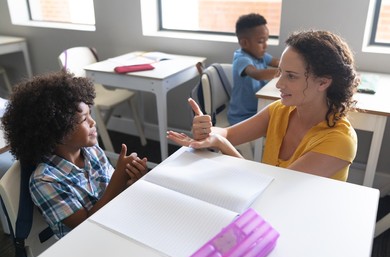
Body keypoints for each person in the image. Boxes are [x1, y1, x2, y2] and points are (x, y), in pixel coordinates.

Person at [168, 30, 359, 182]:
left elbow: (271, 189)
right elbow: (229, 134)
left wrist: (221, 144)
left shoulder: (339, 140)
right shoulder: (280, 110)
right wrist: (208, 132)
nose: (278, 84)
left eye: (291, 76)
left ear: (323, 83)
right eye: (280, 72)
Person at [1, 71, 148, 238]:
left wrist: (129, 180)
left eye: (89, 114)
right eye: (84, 119)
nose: (93, 122)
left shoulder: (92, 151)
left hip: (117, 224)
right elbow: (87, 229)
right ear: (58, 130)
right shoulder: (45, 181)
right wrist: (117, 181)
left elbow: (112, 194)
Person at [228, 13, 280, 125]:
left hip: (258, 110)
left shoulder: (260, 55)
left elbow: (277, 62)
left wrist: (290, 65)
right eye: (261, 41)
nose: (265, 46)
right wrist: (282, 72)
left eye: (267, 40)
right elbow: (256, 74)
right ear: (244, 43)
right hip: (242, 117)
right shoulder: (241, 58)